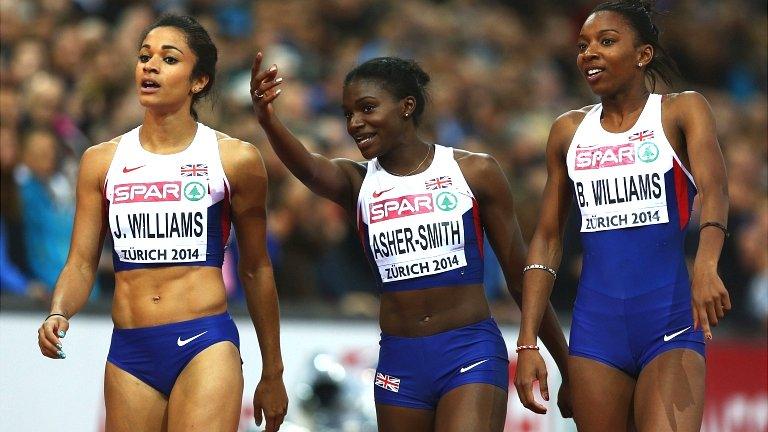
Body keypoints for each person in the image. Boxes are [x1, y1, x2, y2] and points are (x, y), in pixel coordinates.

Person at [251, 55, 572, 431]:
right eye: (348, 114)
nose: (355, 123)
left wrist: (562, 363)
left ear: (407, 106)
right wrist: (268, 120)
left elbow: (520, 275)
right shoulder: (357, 183)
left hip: (469, 350)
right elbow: (307, 166)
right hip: (399, 361)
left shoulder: (473, 172)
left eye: (367, 108)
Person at [36, 15, 288, 432]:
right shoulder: (101, 161)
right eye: (143, 56)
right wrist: (58, 311)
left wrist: (273, 372)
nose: (149, 65)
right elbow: (81, 263)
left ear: (199, 81)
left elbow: (257, 268)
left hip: (205, 343)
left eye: (168, 59)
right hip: (130, 350)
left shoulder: (234, 159)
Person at [514, 1, 731, 431]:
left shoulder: (680, 110)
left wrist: (706, 265)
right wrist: (526, 343)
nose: (589, 53)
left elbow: (716, 190)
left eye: (606, 41)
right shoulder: (568, 131)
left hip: (668, 322)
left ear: (642, 55)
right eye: (582, 45)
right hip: (596, 333)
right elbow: (548, 238)